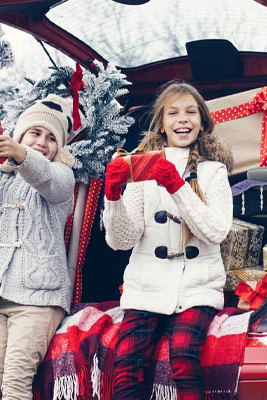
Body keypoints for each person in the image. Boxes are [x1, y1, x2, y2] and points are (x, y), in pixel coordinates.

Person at [102, 81, 233, 399]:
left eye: (190, 112)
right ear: (161, 123)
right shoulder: (139, 166)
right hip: (145, 287)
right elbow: (122, 240)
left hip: (197, 288)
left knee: (184, 357)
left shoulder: (213, 172)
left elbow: (215, 231)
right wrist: (113, 197)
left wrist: (176, 185)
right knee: (126, 366)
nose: (182, 119)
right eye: (173, 112)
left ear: (201, 120)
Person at [0, 94, 77, 399]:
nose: (42, 142)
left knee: (16, 382)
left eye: (51, 138)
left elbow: (45, 176)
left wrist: (20, 154)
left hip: (39, 299)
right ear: (20, 134)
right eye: (35, 133)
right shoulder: (3, 179)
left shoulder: (62, 177)